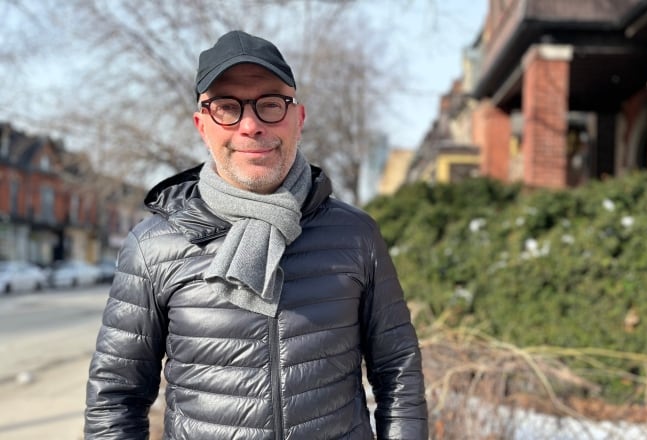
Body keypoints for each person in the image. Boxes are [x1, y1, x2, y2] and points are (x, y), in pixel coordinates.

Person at [84, 30, 428, 439]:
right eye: (227, 107)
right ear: (201, 125)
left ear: (298, 119)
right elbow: (115, 399)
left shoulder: (355, 235)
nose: (250, 125)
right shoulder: (154, 246)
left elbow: (399, 373)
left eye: (270, 104)